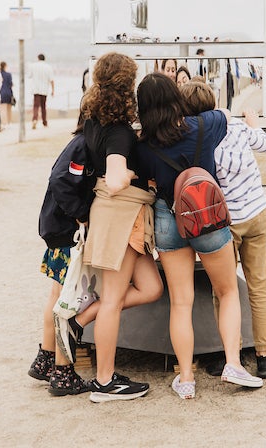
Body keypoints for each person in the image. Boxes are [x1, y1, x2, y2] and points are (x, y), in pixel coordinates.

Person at [136, 73, 263, 400]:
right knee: (227, 291)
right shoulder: (205, 126)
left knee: (180, 302)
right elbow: (224, 113)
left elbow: (146, 179)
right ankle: (233, 364)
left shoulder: (143, 146)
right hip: (207, 216)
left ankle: (187, 379)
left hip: (168, 217)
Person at [180, 81, 266, 379]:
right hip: (257, 212)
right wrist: (253, 124)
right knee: (258, 286)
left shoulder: (200, 140)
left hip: (227, 222)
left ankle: (229, 356)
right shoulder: (236, 127)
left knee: (222, 291)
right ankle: (264, 356)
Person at [80, 52, 163, 403]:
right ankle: (104, 381)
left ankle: (79, 320)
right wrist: (130, 174)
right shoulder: (117, 131)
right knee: (113, 300)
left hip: (116, 216)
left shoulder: (93, 119)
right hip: (120, 213)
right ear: (127, 85)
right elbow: (115, 180)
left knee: (151, 287)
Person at [28, 116, 97, 396]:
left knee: (56, 296)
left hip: (57, 231)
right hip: (67, 232)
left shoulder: (77, 144)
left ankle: (46, 358)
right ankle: (63, 373)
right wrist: (80, 213)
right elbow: (61, 180)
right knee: (66, 303)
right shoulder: (81, 146)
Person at [30, 54, 54, 129]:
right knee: (43, 106)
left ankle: (34, 119)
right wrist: (53, 90)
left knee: (36, 106)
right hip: (44, 89)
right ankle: (44, 122)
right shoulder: (48, 67)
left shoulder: (33, 66)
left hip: (36, 89)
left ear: (38, 58)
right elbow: (51, 80)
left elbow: (29, 75)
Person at [0, 62, 14, 127]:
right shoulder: (8, 74)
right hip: (8, 92)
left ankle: (4, 123)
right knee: (9, 109)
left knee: (2, 109)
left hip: (1, 92)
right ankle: (9, 122)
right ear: (5, 66)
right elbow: (11, 84)